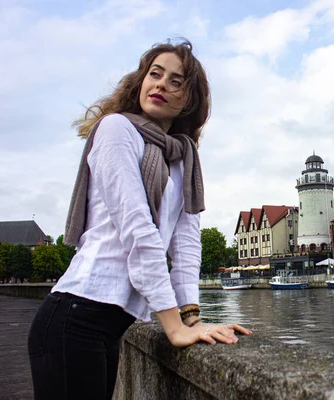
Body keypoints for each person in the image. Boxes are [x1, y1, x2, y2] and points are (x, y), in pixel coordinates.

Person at [27, 39, 252, 400]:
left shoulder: (183, 159)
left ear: (190, 100)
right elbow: (139, 231)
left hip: (110, 326)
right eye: (155, 74)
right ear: (141, 81)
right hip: (74, 317)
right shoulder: (117, 130)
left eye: (176, 81)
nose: (161, 84)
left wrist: (191, 317)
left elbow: (186, 242)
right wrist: (174, 329)